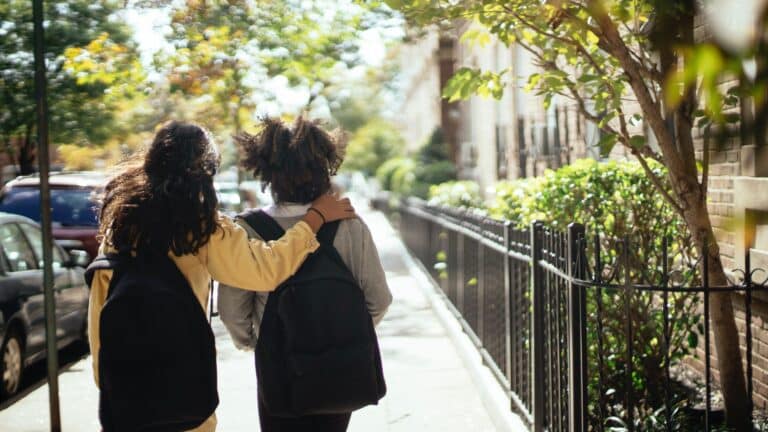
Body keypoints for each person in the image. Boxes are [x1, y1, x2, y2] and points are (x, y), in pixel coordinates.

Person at [88, 121, 356, 432]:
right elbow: (266, 269)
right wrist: (316, 218)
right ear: (204, 172)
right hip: (183, 397)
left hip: (125, 401)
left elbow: (99, 314)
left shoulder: (120, 225)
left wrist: (107, 383)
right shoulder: (198, 229)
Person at [218, 117, 392, 432]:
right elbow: (379, 299)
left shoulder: (246, 230)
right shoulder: (349, 224)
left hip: (278, 366)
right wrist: (344, 333)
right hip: (340, 365)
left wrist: (257, 343)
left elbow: (233, 312)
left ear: (267, 173)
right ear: (324, 166)